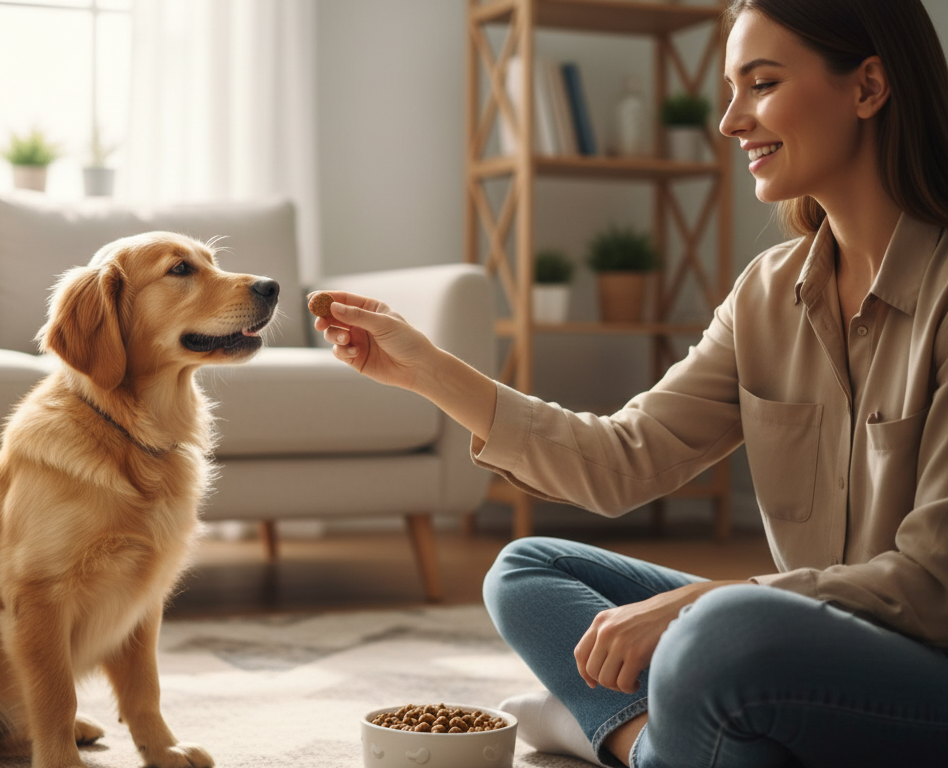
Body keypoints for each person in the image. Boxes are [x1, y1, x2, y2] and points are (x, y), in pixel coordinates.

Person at [313, 0, 948, 765]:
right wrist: (427, 369)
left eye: (761, 83)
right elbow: (623, 460)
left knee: (720, 635)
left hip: (924, 665)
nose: (730, 122)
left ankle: (620, 734)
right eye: (731, 90)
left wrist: (703, 605)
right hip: (796, 648)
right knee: (528, 570)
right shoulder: (766, 293)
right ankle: (664, 733)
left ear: (868, 86)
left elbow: (931, 584)